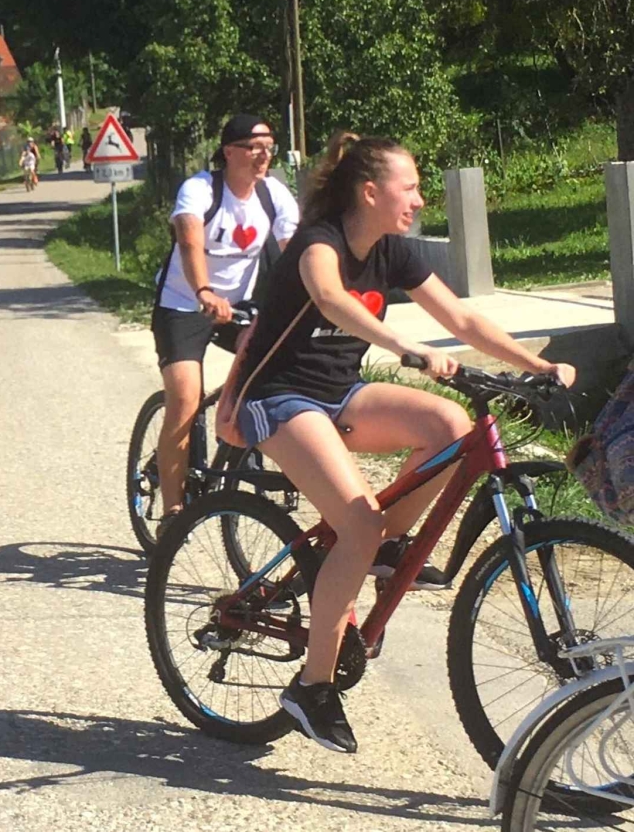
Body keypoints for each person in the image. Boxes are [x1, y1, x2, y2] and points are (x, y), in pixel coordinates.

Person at [230, 132, 576, 754]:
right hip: (279, 399)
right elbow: (331, 299)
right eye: (409, 186)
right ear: (371, 191)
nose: (418, 198)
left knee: (449, 428)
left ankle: (385, 545)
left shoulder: (394, 252)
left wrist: (537, 365)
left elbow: (464, 320)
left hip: (339, 394)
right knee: (359, 527)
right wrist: (405, 349)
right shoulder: (319, 242)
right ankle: (312, 688)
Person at [150, 115, 298, 527]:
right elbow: (189, 240)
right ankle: (173, 514)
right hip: (183, 303)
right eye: (254, 146)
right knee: (184, 398)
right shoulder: (200, 189)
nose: (264, 154)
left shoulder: (273, 195)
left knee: (279, 374)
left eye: (270, 145)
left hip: (240, 307)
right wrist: (203, 292)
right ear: (229, 150)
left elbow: (297, 253)